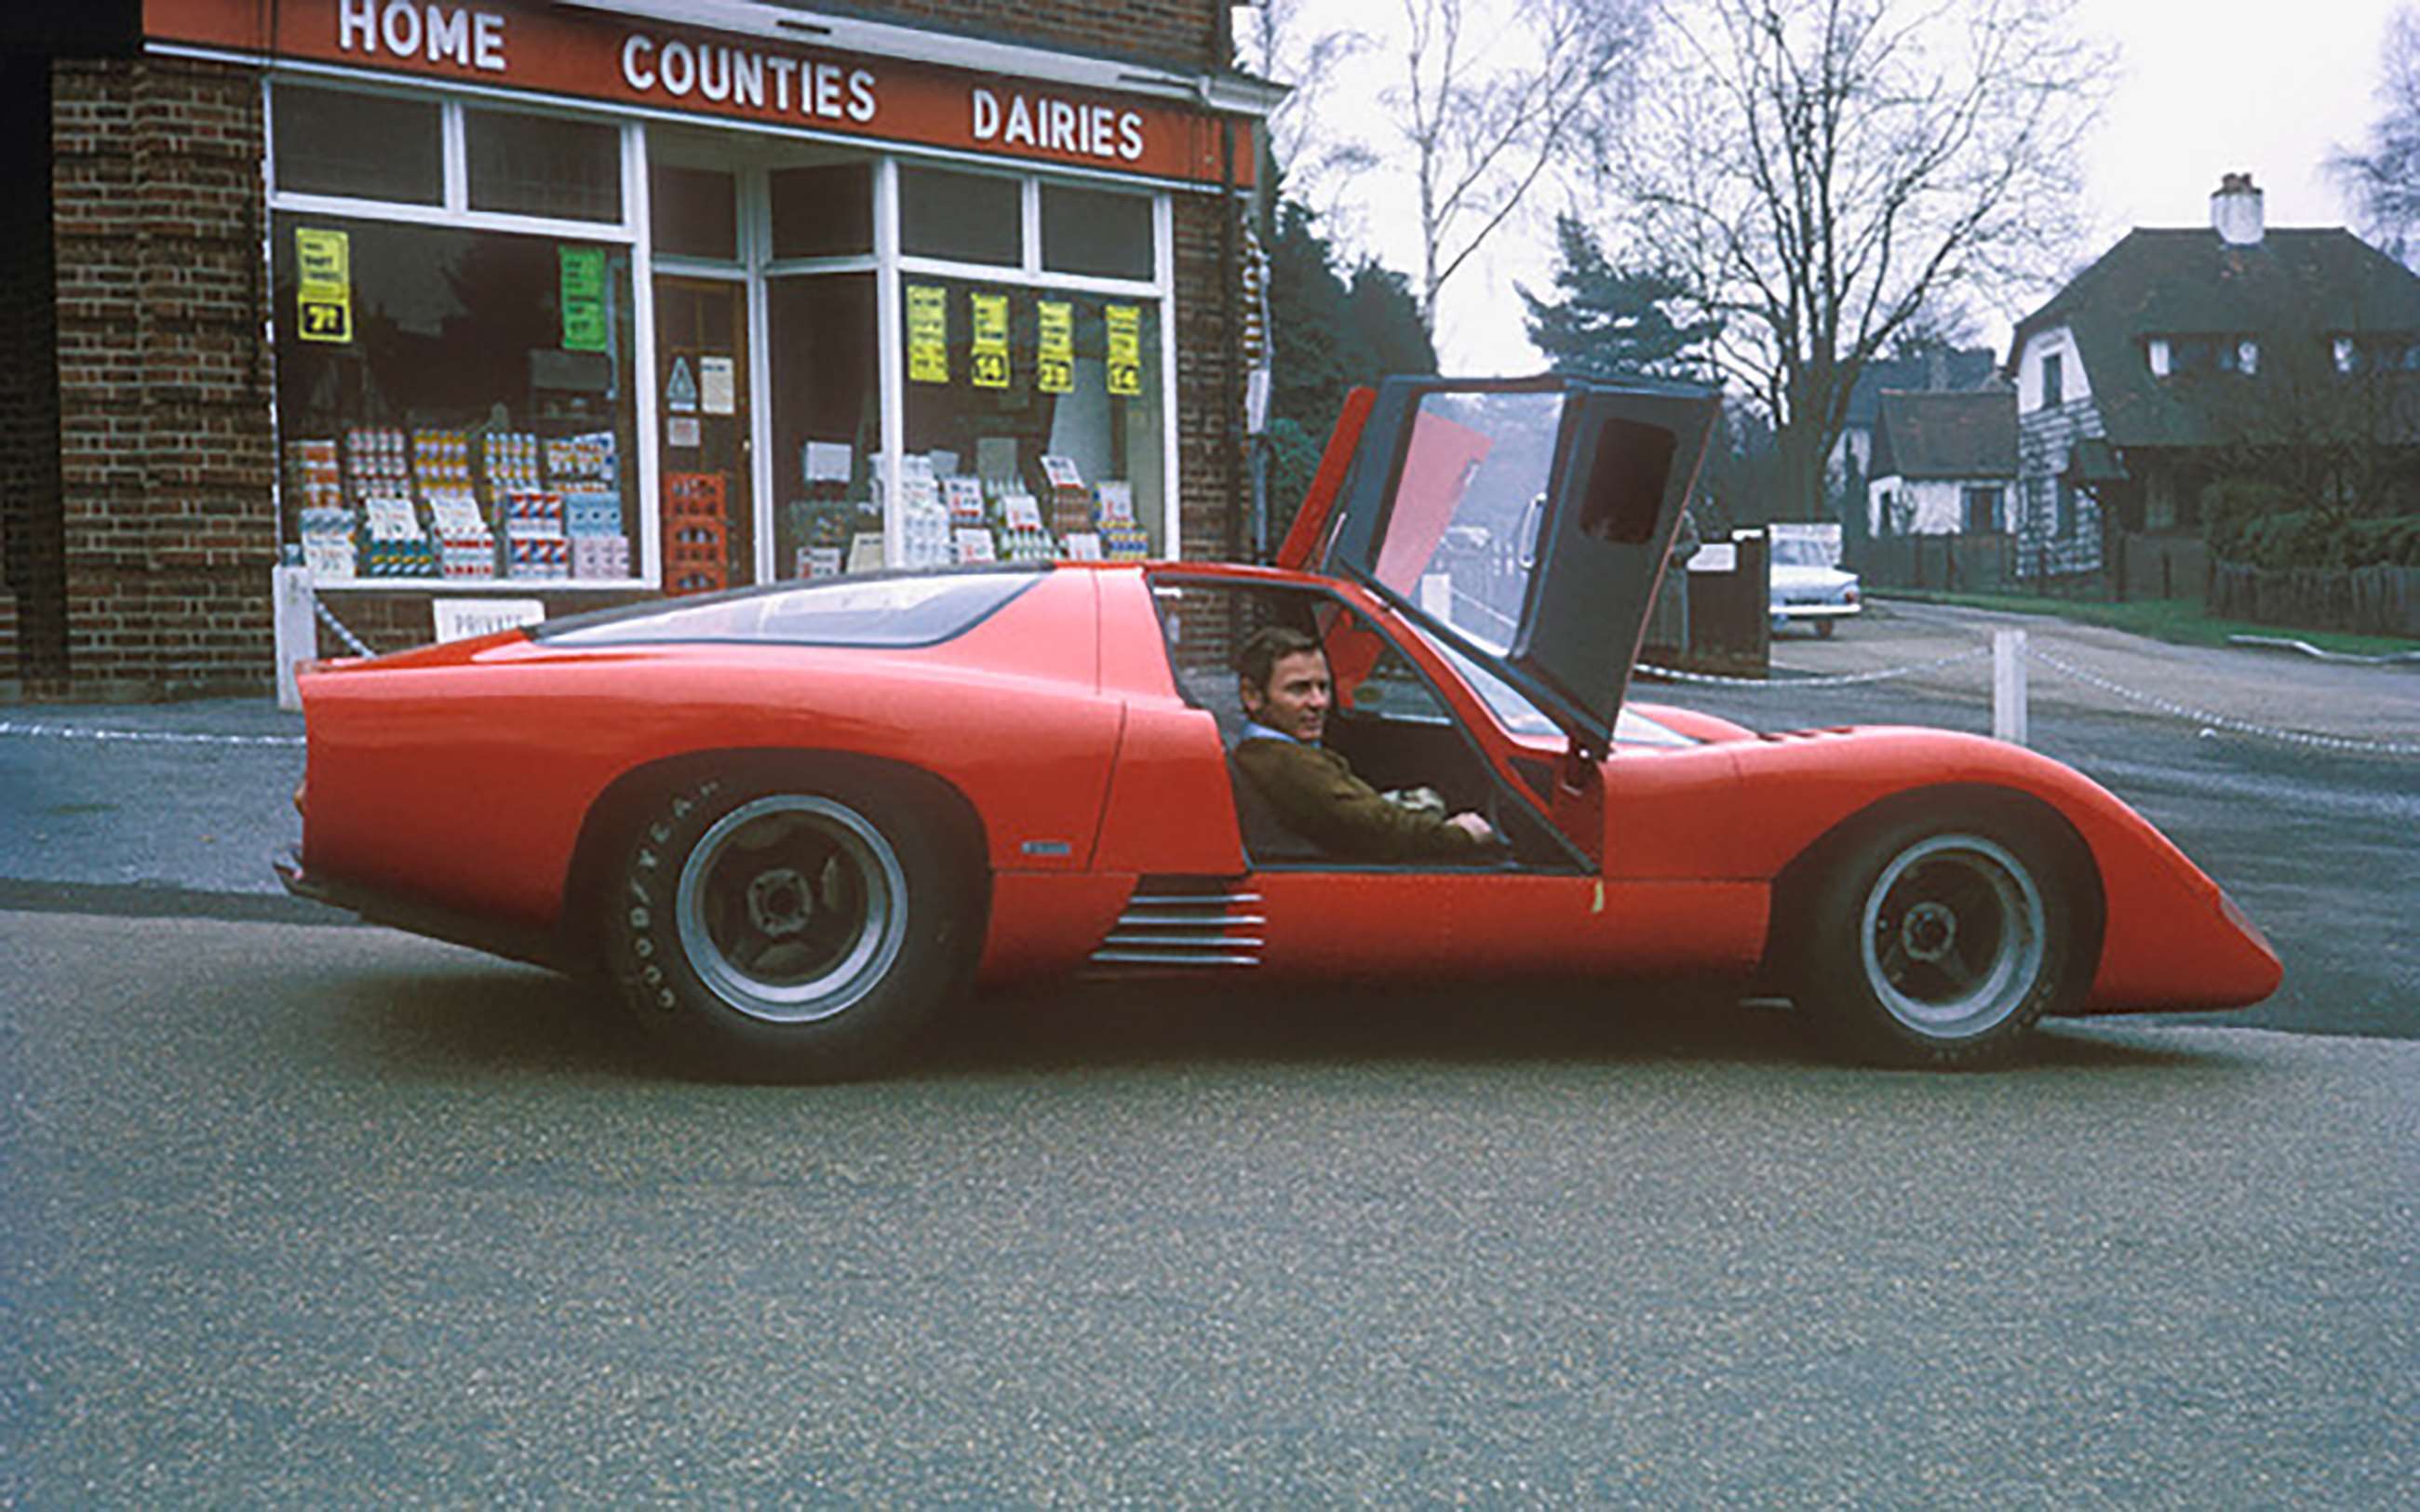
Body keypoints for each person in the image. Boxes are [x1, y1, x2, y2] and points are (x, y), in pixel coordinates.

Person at [1230, 625, 1500, 862]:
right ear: (1252, 695)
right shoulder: (1283, 763)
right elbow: (1377, 829)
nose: (1319, 703)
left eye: (1323, 687)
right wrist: (1461, 835)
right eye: (1299, 689)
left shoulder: (1275, 754)